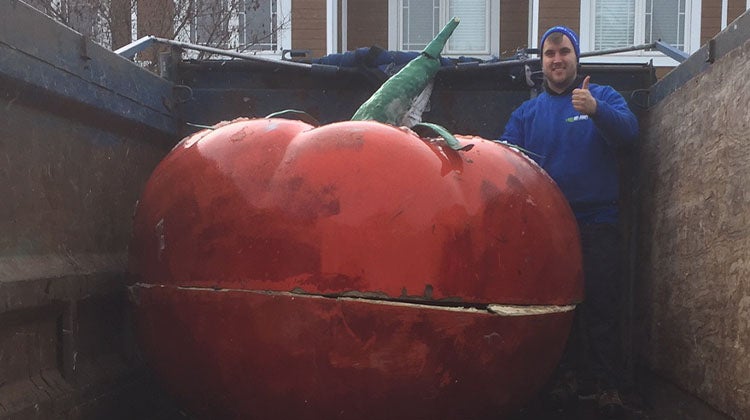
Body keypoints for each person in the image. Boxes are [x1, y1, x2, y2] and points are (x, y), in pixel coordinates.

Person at [499, 26, 639, 418]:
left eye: (563, 52)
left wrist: (595, 110)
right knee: (554, 310)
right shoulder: (527, 113)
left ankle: (607, 387)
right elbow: (504, 159)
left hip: (598, 222)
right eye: (549, 54)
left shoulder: (601, 97)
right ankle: (561, 382)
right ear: (542, 62)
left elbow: (629, 133)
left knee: (601, 307)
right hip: (548, 231)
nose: (556, 59)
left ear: (576, 58)